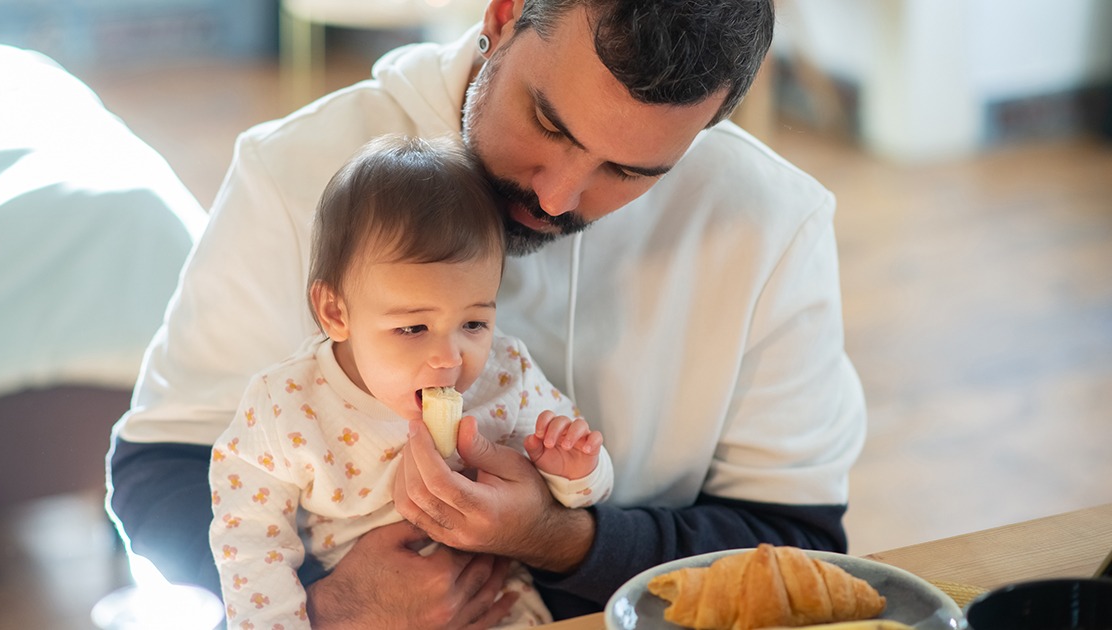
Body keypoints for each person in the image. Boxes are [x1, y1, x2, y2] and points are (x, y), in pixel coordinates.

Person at [108, 0, 867, 626]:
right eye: (549, 124)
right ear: (504, 16)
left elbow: (798, 546)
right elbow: (157, 471)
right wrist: (330, 604)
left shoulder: (773, 226)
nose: (557, 197)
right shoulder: (290, 175)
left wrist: (563, 539)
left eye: (629, 171)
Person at [209, 133, 613, 629]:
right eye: (413, 328)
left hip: (506, 611)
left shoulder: (508, 372)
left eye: (474, 324)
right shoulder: (286, 405)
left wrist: (574, 470)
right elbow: (248, 541)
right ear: (336, 312)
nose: (449, 359)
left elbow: (587, 491)